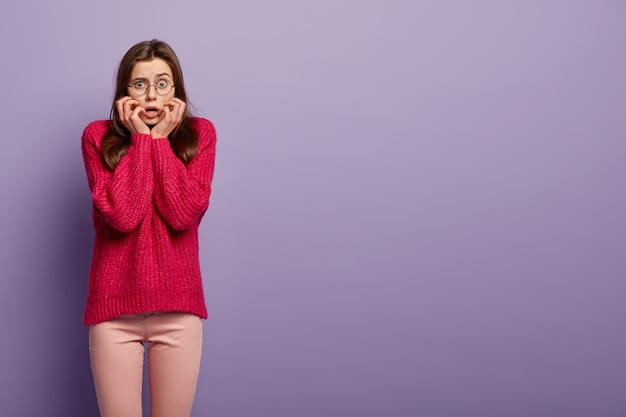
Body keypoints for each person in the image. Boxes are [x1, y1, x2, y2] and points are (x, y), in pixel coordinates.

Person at [81, 39, 217, 417]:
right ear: (124, 91)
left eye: (162, 83)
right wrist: (143, 139)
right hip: (113, 313)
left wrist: (159, 143)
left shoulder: (200, 135)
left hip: (178, 311)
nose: (151, 95)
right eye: (139, 84)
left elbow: (182, 213)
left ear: (177, 91)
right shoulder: (97, 137)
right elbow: (124, 214)